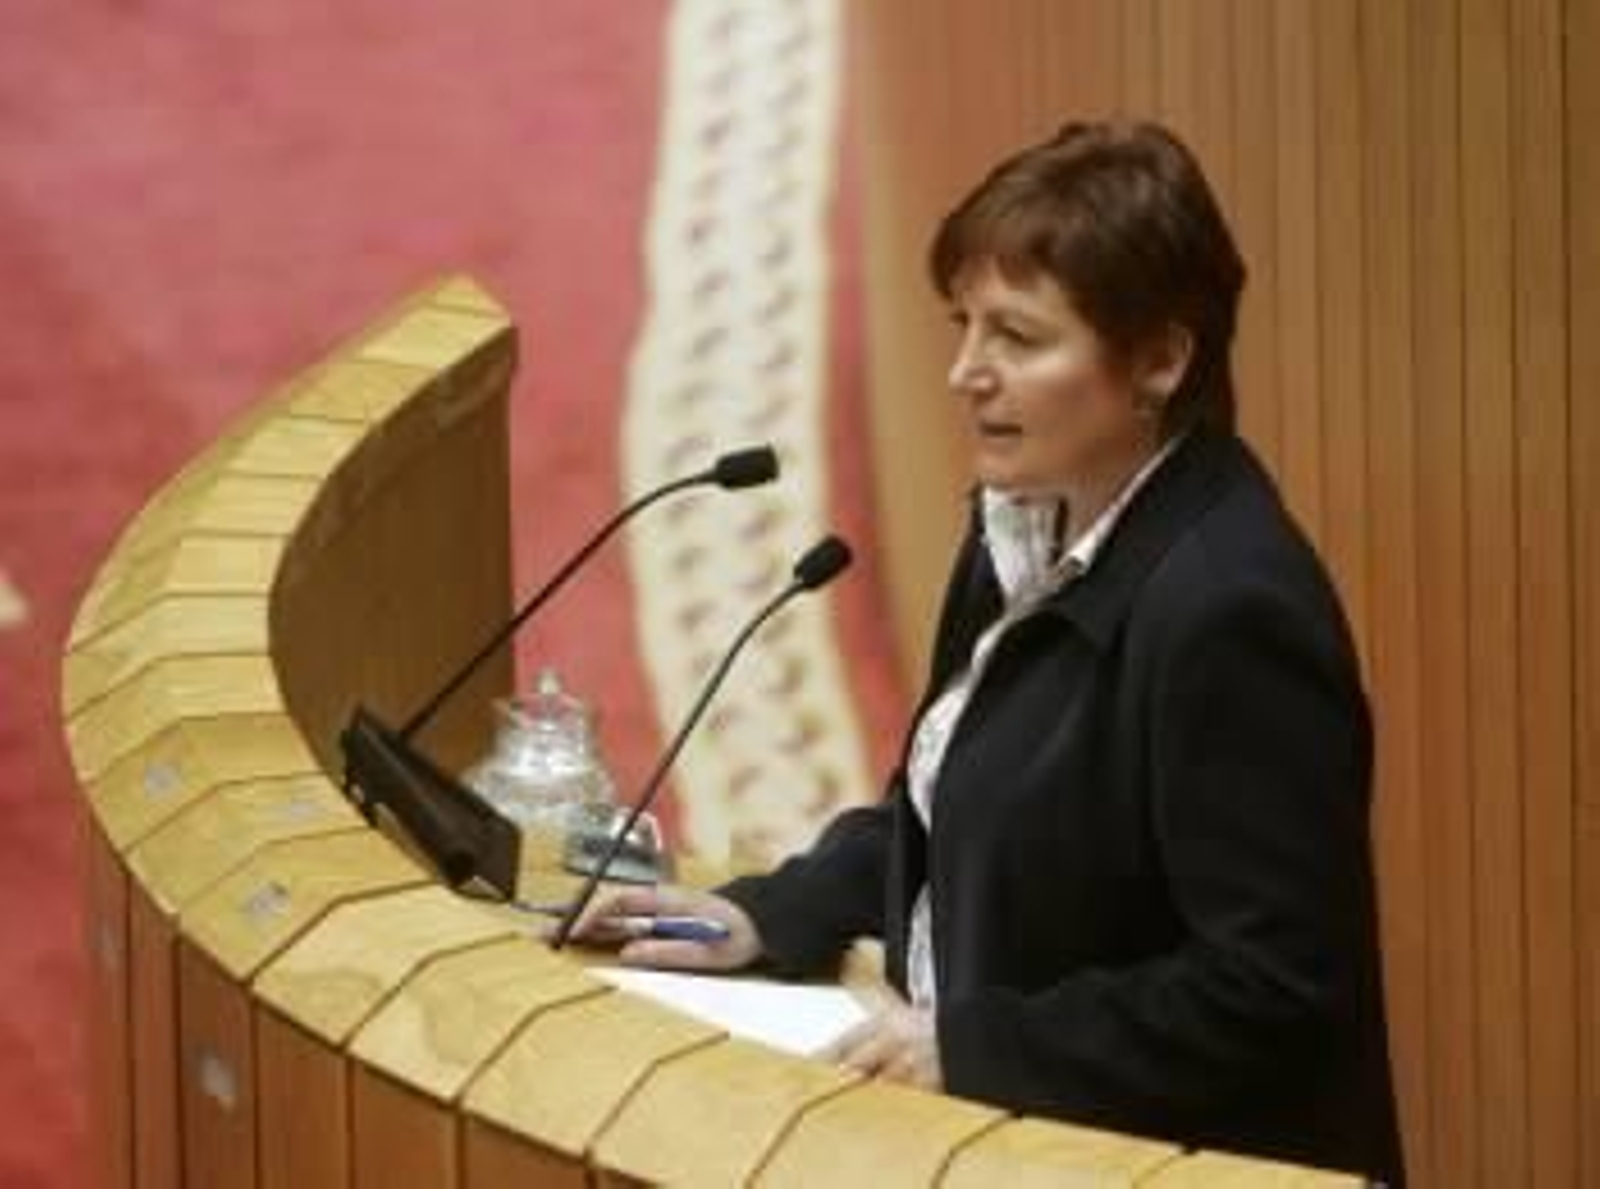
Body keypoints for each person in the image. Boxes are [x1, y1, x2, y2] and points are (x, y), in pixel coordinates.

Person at [568, 119, 1404, 1185]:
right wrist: (766, 913)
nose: (966, 372)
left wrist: (972, 1045)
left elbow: (1271, 987)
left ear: (1158, 357)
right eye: (963, 325)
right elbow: (950, 804)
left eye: (1017, 336)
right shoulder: (1025, 519)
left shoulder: (1227, 610)